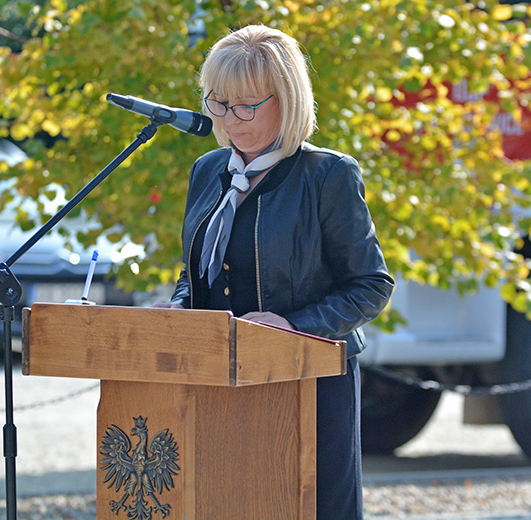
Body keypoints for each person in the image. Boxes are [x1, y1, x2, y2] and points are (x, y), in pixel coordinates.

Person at [155, 24, 395, 519]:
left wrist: (294, 327)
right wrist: (180, 311)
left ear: (286, 98)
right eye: (218, 103)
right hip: (219, 380)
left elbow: (371, 285)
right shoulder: (208, 170)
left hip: (309, 382)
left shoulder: (328, 175)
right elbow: (196, 271)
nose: (230, 119)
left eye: (246, 106)